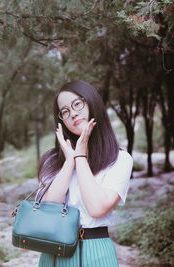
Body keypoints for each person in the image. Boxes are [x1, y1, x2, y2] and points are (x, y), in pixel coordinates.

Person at [37, 80, 133, 267]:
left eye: (77, 104)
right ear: (61, 120)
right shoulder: (52, 160)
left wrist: (81, 156)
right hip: (53, 254)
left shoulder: (119, 159)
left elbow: (97, 208)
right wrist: (69, 161)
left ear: (92, 102)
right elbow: (48, 208)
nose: (72, 113)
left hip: (95, 252)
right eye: (64, 111)